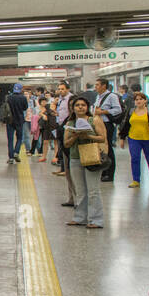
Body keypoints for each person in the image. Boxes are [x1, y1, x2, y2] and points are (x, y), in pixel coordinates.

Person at [62, 96, 107, 229]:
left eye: (83, 105)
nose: (80, 107)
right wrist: (75, 136)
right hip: (75, 158)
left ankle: (96, 220)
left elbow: (102, 138)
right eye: (77, 105)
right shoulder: (70, 124)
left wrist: (88, 136)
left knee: (93, 190)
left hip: (91, 157)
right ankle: (80, 217)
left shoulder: (94, 120)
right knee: (80, 190)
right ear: (73, 108)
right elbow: (66, 143)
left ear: (87, 107)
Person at [117, 92, 149, 189]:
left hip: (148, 139)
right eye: (136, 100)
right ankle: (136, 180)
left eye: (141, 99)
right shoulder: (131, 112)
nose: (138, 101)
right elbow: (126, 125)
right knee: (135, 158)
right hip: (133, 139)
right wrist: (122, 138)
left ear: (145, 101)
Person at [92, 79, 123, 181]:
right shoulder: (98, 96)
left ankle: (110, 174)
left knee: (108, 148)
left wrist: (104, 112)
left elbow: (118, 109)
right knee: (101, 148)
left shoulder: (111, 96)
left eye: (97, 85)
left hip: (107, 124)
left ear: (104, 86)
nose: (95, 87)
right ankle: (103, 171)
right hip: (98, 123)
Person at [4, 83, 29, 164]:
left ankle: (11, 158)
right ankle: (16, 152)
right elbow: (25, 108)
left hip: (10, 121)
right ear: (21, 89)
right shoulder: (23, 98)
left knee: (10, 140)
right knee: (19, 138)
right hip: (19, 121)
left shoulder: (9, 97)